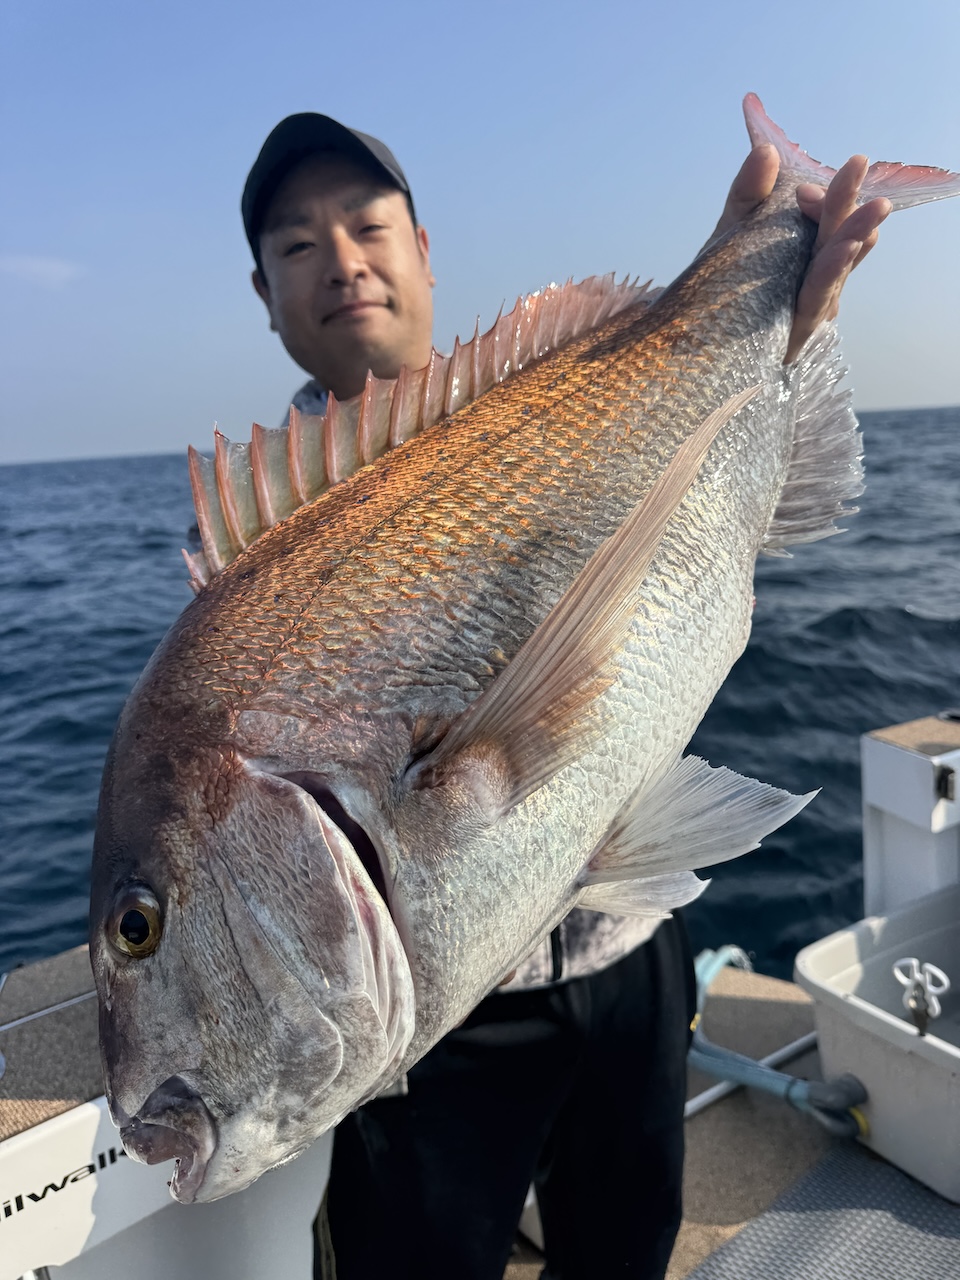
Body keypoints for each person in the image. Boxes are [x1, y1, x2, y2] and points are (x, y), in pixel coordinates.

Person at [240, 113, 890, 1280]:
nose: (341, 260)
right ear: (264, 293)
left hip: (631, 936)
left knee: (628, 1245)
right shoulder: (250, 559)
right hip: (435, 1016)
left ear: (423, 250)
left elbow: (708, 522)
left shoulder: (569, 396)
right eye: (297, 244)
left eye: (369, 226)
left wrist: (780, 339)